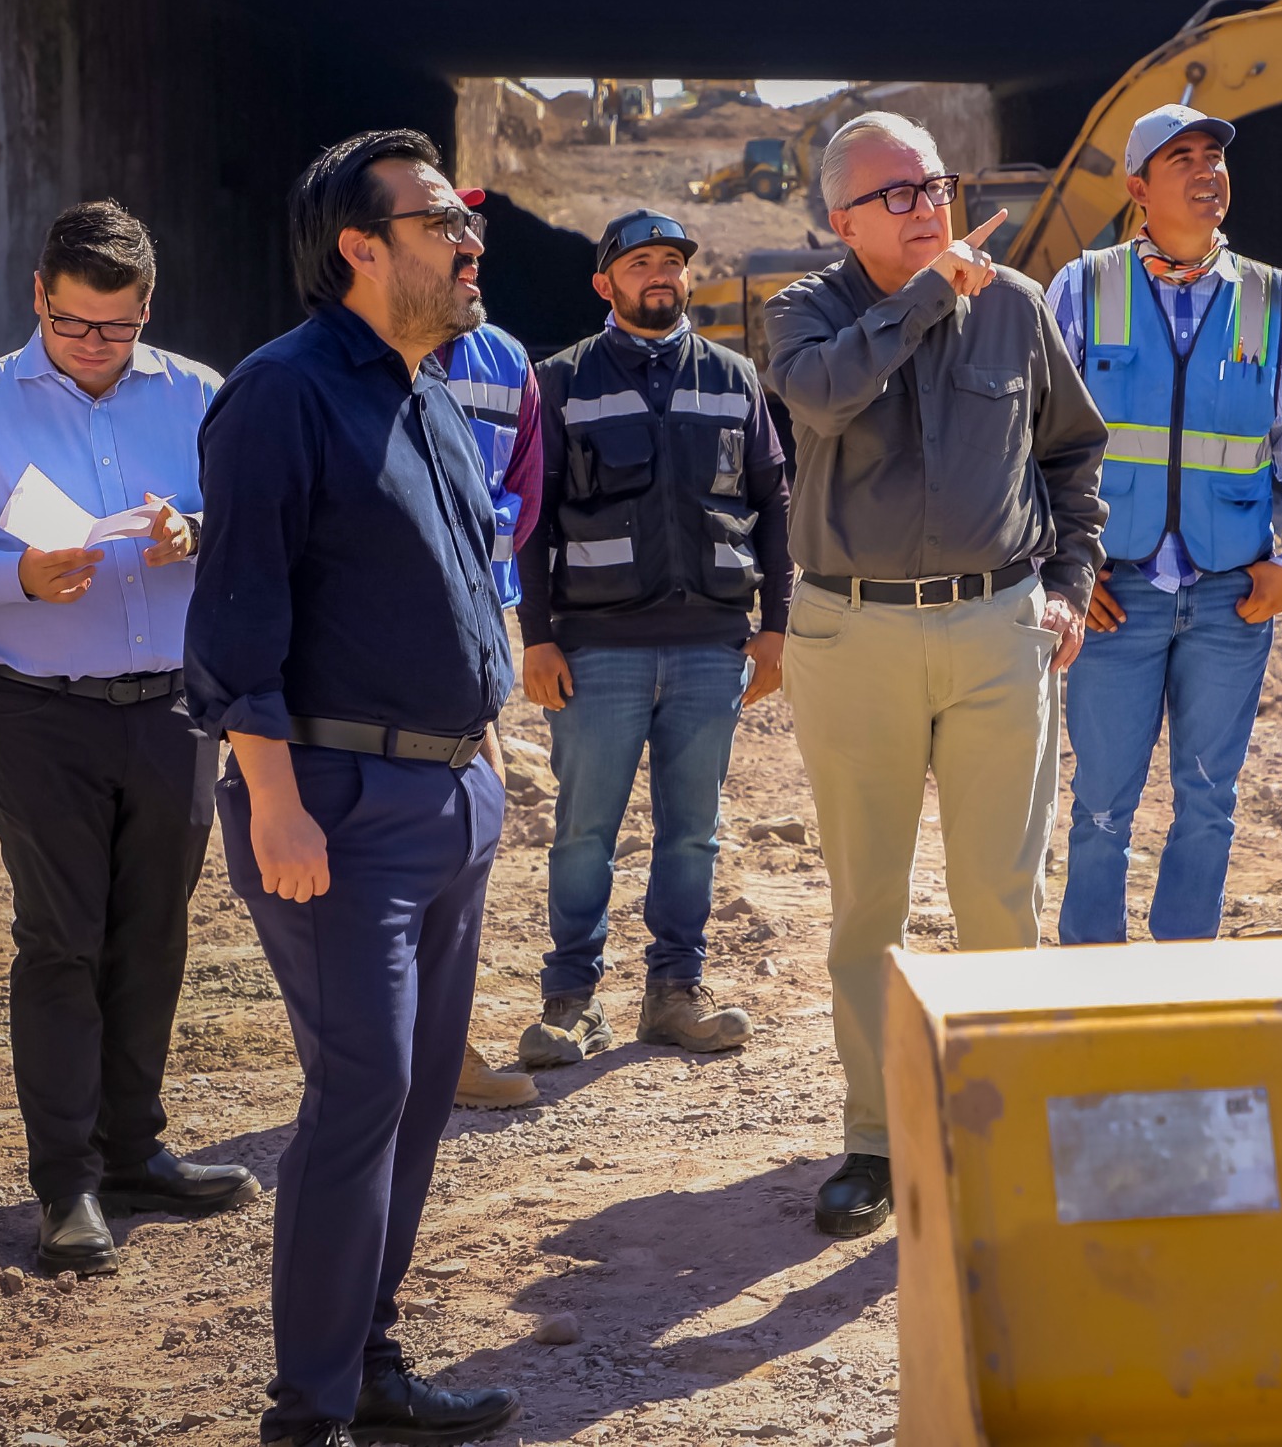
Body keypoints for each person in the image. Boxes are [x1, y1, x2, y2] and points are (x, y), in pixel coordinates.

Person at [185, 130, 520, 1447]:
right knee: (360, 1090)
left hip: (451, 803)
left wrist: (480, 744)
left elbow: (448, 591)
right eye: (442, 220)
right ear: (361, 247)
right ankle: (309, 1411)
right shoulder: (281, 393)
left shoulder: (429, 390)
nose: (469, 240)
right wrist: (271, 798)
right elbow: (234, 616)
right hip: (331, 805)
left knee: (420, 1092)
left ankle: (371, 1360)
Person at [0, 200, 252, 1276]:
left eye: (117, 327)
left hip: (173, 710)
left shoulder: (199, 393)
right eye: (73, 325)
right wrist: (15, 575)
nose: (94, 348)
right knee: (61, 941)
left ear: (148, 309)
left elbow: (262, 517)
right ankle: (68, 1184)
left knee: (153, 933)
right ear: (38, 300)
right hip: (39, 712)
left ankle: (135, 1151)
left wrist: (199, 526)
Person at [766, 113, 1107, 1238]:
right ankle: (877, 1138)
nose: (929, 207)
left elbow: (1070, 452)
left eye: (936, 185)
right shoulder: (800, 313)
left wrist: (1068, 577)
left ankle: (1000, 1126)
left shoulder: (1015, 305)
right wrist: (926, 297)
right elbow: (820, 398)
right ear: (839, 218)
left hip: (998, 627)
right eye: (898, 194)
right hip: (851, 635)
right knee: (870, 904)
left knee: (1001, 895)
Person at [1042, 105, 1282, 944]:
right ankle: (1091, 996)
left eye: (1216, 157)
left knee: (1209, 806)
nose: (1209, 172)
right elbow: (1030, 447)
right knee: (1100, 806)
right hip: (1116, 596)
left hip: (1230, 599)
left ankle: (1185, 993)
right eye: (1184, 159)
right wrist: (1063, 566)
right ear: (1139, 188)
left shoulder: (1268, 296)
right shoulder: (1083, 287)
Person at [515, 209, 788, 1068]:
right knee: (583, 832)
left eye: (671, 261)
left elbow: (774, 507)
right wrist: (538, 638)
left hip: (712, 647)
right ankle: (572, 1002)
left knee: (692, 834)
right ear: (606, 284)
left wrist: (775, 627)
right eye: (640, 263)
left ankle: (674, 994)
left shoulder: (735, 376)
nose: (659, 275)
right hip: (597, 650)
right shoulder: (559, 381)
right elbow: (530, 522)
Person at [436, 287, 549, 1112]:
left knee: (470, 830)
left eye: (473, 250)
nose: (468, 264)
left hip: (475, 620)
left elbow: (526, 488)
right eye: (451, 245)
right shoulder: (335, 361)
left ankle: (442, 1048)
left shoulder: (507, 361)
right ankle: (390, 1057)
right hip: (373, 628)